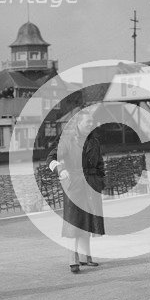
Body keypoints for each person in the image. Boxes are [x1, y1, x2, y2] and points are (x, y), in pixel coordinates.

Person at [46, 110, 105, 274]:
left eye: (91, 122)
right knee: (74, 222)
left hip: (91, 184)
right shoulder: (67, 140)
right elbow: (50, 158)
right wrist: (60, 170)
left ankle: (86, 257)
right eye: (87, 122)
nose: (90, 125)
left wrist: (101, 181)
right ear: (78, 123)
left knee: (87, 219)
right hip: (74, 185)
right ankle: (73, 260)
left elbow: (100, 164)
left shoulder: (94, 142)